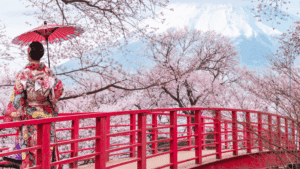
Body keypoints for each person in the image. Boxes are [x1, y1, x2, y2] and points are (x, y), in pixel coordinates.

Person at [2, 41, 64, 169]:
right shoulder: (49, 73)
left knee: (30, 150)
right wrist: (49, 98)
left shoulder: (24, 74)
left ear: (29, 52)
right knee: (47, 148)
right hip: (47, 118)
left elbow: (17, 99)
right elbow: (58, 91)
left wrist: (13, 117)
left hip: (30, 119)